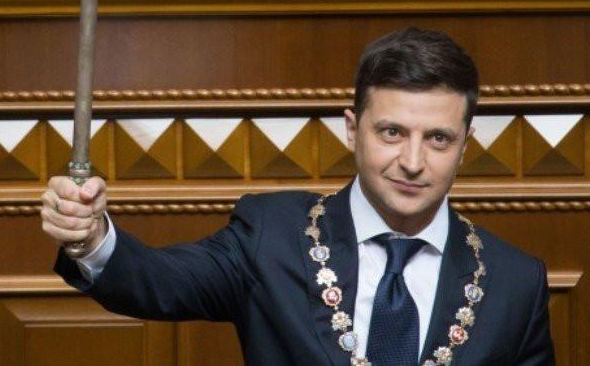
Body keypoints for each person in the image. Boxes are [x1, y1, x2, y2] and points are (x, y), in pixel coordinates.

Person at [42, 27, 554, 366]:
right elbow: (159, 281)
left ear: (465, 145)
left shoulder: (516, 280)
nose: (413, 161)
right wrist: (91, 238)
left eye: (438, 138)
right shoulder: (272, 235)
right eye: (392, 132)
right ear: (352, 129)